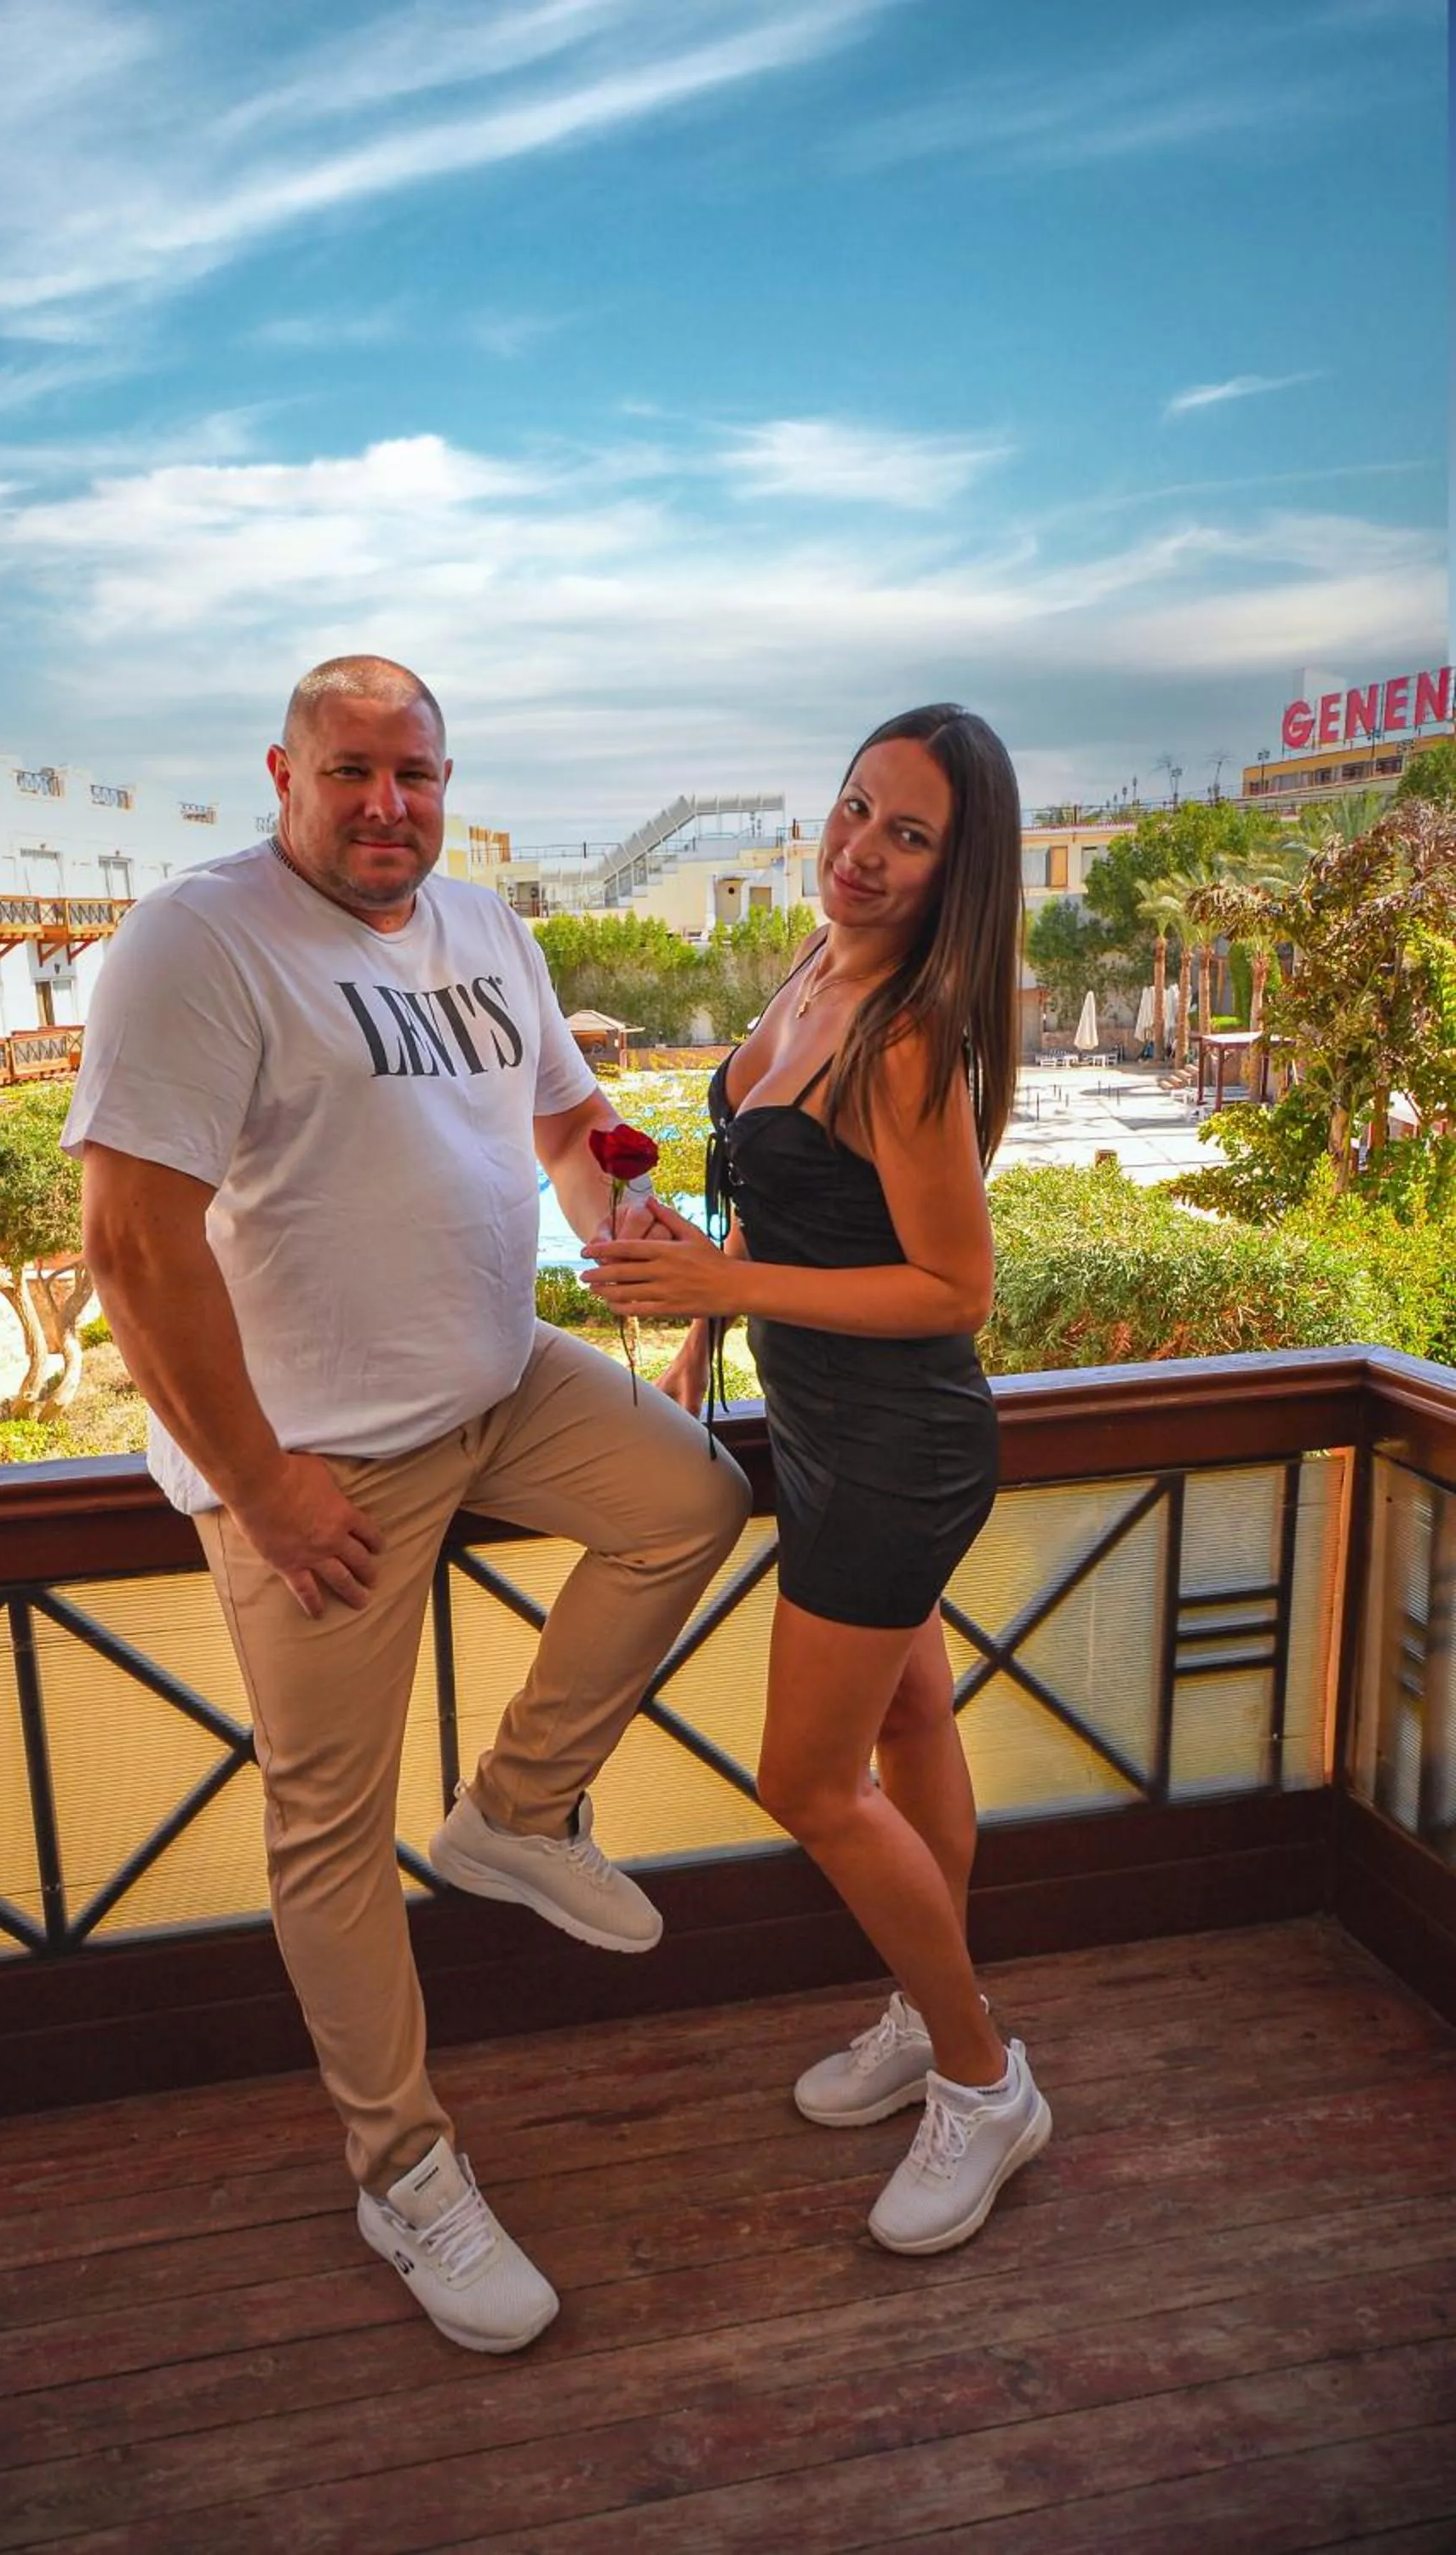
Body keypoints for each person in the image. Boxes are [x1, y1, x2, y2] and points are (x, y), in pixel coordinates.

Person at [65, 656, 748, 2355]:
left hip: (502, 1379)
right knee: (329, 1828)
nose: (389, 806)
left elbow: (569, 1121)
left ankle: (517, 1809)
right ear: (283, 773)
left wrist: (620, 1216)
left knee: (692, 1496)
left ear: (449, 782)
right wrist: (261, 1486)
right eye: (353, 771)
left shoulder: (484, 924)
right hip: (320, 1461)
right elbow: (130, 1248)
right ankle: (406, 2175)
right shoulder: (199, 941)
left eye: (417, 774)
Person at [586, 703, 1051, 2256]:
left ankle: (985, 2083)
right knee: (909, 1727)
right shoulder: (813, 970)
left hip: (899, 1449)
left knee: (804, 1782)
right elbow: (788, 1216)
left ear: (955, 871)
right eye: (856, 808)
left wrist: (731, 1281)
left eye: (908, 836)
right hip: (821, 1428)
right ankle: (935, 2005)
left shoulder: (908, 1035)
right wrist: (700, 1316)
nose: (861, 851)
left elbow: (955, 1287)